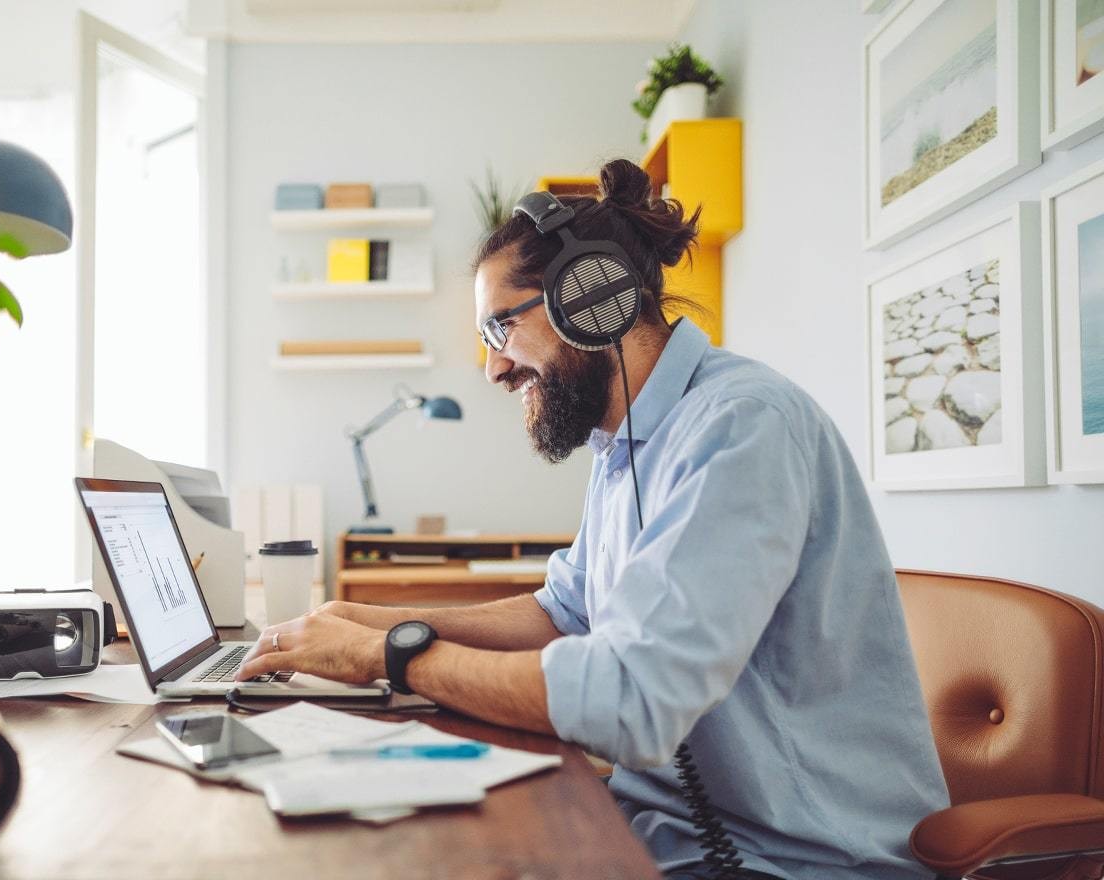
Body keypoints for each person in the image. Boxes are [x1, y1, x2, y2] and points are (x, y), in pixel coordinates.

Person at [236, 157, 949, 879]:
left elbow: (628, 701)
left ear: (590, 299)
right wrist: (368, 621)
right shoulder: (624, 443)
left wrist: (390, 658)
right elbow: (563, 612)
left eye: (498, 329)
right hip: (662, 832)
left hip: (794, 860)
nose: (493, 369)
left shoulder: (741, 428)